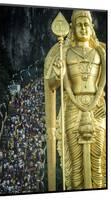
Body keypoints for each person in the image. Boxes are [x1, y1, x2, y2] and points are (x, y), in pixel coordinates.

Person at [44, 10, 106, 190]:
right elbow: (51, 84)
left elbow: (104, 81)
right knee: (75, 162)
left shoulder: (100, 52)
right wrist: (58, 75)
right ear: (72, 28)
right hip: (73, 106)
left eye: (86, 24)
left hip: (98, 106)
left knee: (99, 158)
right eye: (79, 24)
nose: (83, 28)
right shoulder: (65, 53)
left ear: (92, 27)